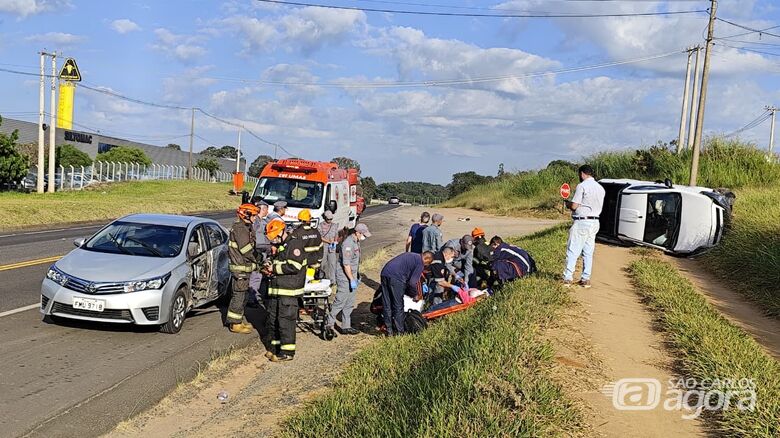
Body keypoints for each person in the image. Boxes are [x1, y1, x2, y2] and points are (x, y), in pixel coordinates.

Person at [262, 218, 309, 362]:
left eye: (276, 237)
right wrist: (269, 266)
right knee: (273, 320)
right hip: (278, 290)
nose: (274, 241)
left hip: (289, 292)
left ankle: (287, 352)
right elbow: (279, 262)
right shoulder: (283, 245)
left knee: (285, 322)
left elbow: (294, 266)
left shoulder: (294, 244)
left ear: (283, 231)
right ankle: (275, 348)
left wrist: (274, 268)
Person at [563, 165, 605, 288]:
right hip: (595, 221)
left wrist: (568, 204)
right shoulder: (600, 188)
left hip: (582, 221)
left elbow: (575, 206)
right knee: (588, 251)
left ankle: (567, 278)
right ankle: (585, 279)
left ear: (582, 174)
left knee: (573, 249)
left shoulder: (582, 186)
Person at [328, 223, 371, 335]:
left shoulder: (356, 242)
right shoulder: (348, 244)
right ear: (357, 232)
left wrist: (356, 277)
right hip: (344, 276)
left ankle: (346, 326)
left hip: (352, 275)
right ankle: (329, 325)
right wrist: (351, 279)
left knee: (349, 302)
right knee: (340, 301)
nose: (364, 237)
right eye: (363, 234)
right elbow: (346, 265)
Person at [379, 251, 433, 335]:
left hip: (385, 272)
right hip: (396, 278)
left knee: (387, 304)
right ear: (426, 259)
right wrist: (415, 295)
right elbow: (412, 282)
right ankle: (400, 331)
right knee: (398, 306)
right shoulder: (420, 263)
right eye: (428, 263)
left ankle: (389, 330)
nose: (426, 266)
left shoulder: (412, 255)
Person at [226, 203, 260, 334]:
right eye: (254, 216)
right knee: (238, 296)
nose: (256, 218)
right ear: (246, 215)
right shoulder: (240, 229)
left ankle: (238, 320)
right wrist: (258, 259)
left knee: (243, 295)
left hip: (245, 268)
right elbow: (246, 250)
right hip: (240, 269)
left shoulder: (246, 227)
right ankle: (234, 324)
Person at [248, 201, 271, 307]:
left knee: (258, 276)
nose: (268, 211)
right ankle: (252, 299)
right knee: (255, 276)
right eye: (266, 209)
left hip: (262, 251)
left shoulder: (262, 220)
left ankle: (254, 297)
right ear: (262, 209)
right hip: (257, 251)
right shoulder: (256, 221)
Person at [317, 210, 339, 283]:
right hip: (324, 246)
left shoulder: (334, 225)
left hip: (332, 246)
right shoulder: (320, 226)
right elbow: (319, 237)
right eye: (328, 219)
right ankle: (321, 278)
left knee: (332, 263)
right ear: (325, 218)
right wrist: (328, 241)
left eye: (331, 219)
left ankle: (333, 280)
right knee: (323, 263)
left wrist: (335, 242)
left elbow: (336, 234)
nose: (329, 220)